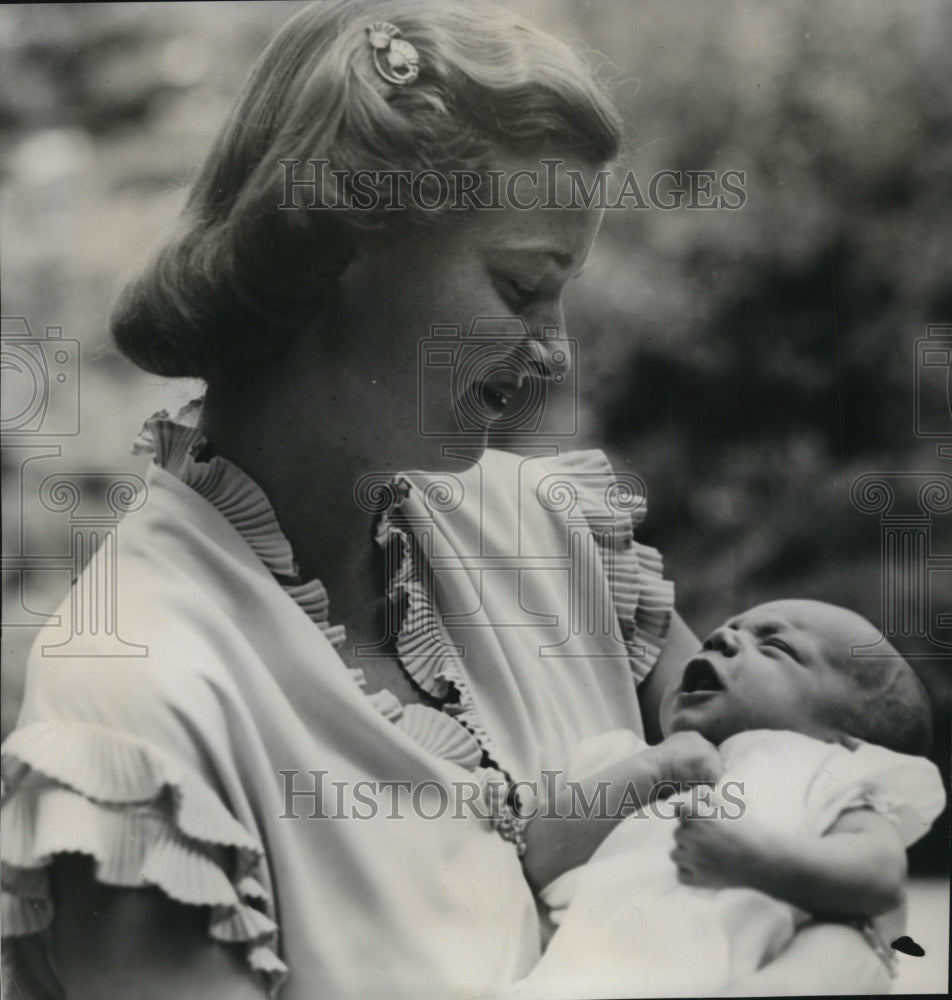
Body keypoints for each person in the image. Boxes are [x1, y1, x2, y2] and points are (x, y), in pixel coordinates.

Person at [0, 2, 906, 997]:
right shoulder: (139, 709)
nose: (556, 350)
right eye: (522, 286)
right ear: (342, 244)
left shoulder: (554, 535)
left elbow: (826, 801)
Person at [511, 600, 945, 997]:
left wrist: (755, 861)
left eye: (775, 646)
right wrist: (653, 772)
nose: (722, 638)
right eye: (715, 636)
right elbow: (537, 860)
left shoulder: (825, 770)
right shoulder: (625, 761)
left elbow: (881, 874)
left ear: (843, 737)